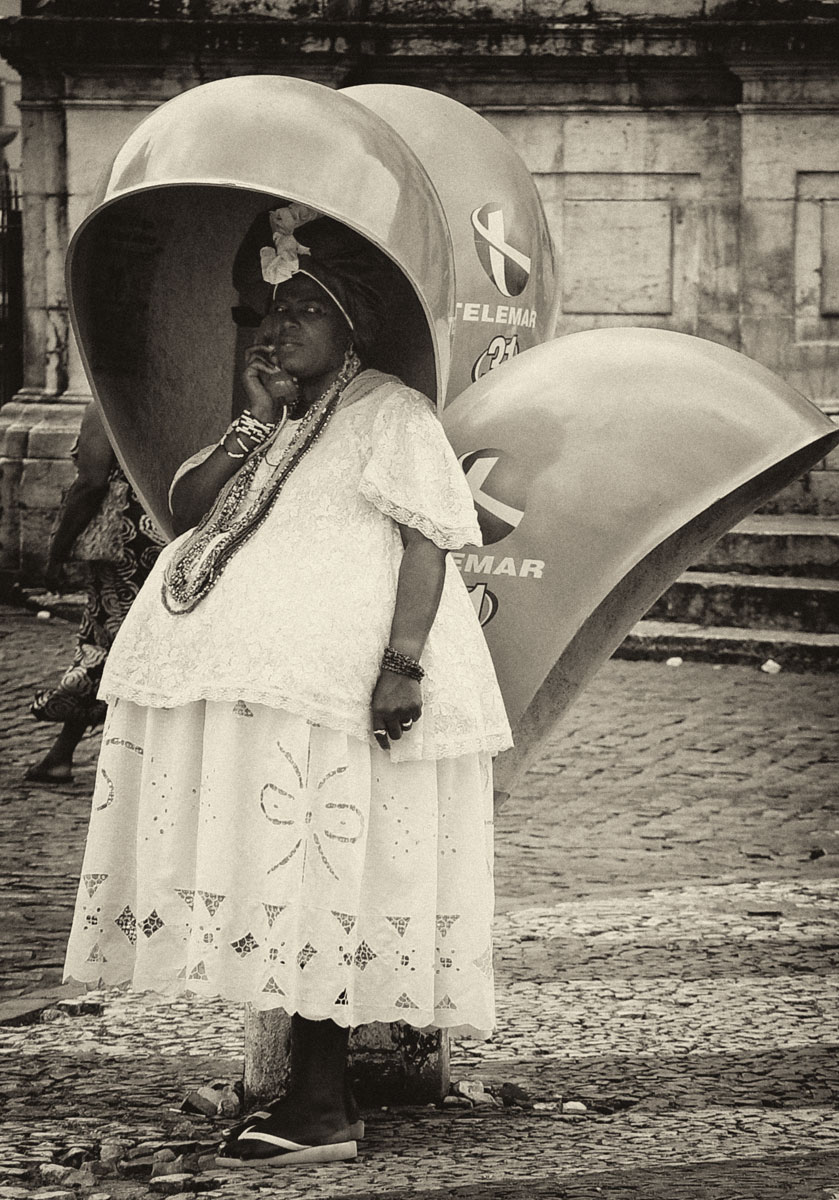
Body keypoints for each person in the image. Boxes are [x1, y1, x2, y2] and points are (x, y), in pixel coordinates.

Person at [62, 206, 512, 1167]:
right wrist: (250, 425)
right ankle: (312, 1102)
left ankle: (320, 1110)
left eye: (303, 308)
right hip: (275, 696)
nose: (274, 329)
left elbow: (428, 541)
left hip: (345, 698)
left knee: (323, 884)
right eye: (268, 309)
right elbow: (182, 509)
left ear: (353, 323)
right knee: (282, 881)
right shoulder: (274, 416)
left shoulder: (390, 410)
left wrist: (401, 665)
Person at [26, 403, 164, 783]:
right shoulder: (174, 395)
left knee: (106, 643)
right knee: (134, 644)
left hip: (124, 543)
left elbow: (90, 482)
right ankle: (63, 753)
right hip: (165, 531)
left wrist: (57, 551)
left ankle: (68, 755)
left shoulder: (106, 405)